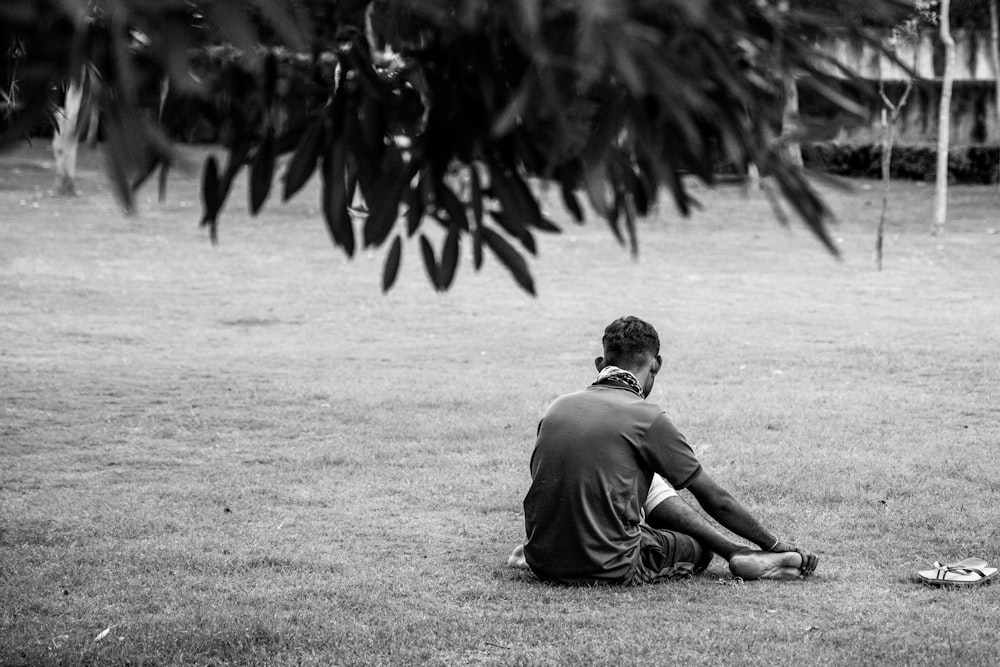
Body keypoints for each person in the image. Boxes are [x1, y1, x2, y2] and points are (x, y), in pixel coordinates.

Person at [518, 315, 819, 585]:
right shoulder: (646, 417)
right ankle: (737, 554)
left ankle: (737, 552)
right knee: (698, 550)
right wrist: (773, 543)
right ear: (656, 365)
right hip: (608, 564)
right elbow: (716, 500)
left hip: (542, 559)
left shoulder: (557, 407)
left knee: (644, 478)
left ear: (600, 364)